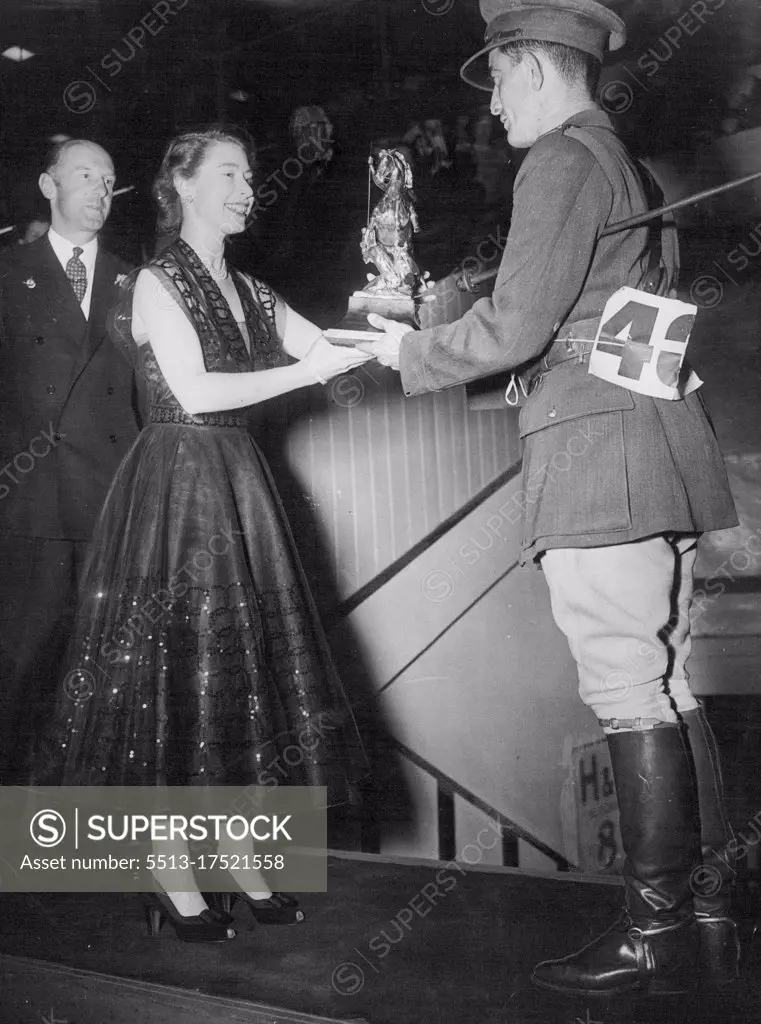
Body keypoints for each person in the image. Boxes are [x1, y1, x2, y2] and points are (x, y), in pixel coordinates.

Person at [360, 0, 741, 997]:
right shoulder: (618, 160)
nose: (489, 108)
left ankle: (653, 930)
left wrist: (403, 350)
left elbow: (521, 325)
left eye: (492, 81)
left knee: (624, 685)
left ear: (527, 67)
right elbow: (582, 322)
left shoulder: (560, 162)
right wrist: (448, 315)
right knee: (662, 680)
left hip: (595, 460)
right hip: (644, 446)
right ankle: (702, 914)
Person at [33, 127, 371, 941]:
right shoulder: (156, 280)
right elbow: (196, 390)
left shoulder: (249, 288)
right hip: (178, 489)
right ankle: (170, 873)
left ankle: (242, 855)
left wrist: (384, 321)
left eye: (249, 175)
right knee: (175, 683)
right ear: (180, 185)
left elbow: (325, 348)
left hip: (237, 487)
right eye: (228, 173)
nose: (247, 187)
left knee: (237, 677)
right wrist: (314, 369)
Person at [0, 140, 143, 785]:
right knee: (25, 661)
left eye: (109, 179)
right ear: (47, 184)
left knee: (106, 665)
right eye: (85, 175)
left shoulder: (134, 278)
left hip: (112, 498)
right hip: (31, 499)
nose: (100, 189)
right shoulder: (9, 270)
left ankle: (79, 820)